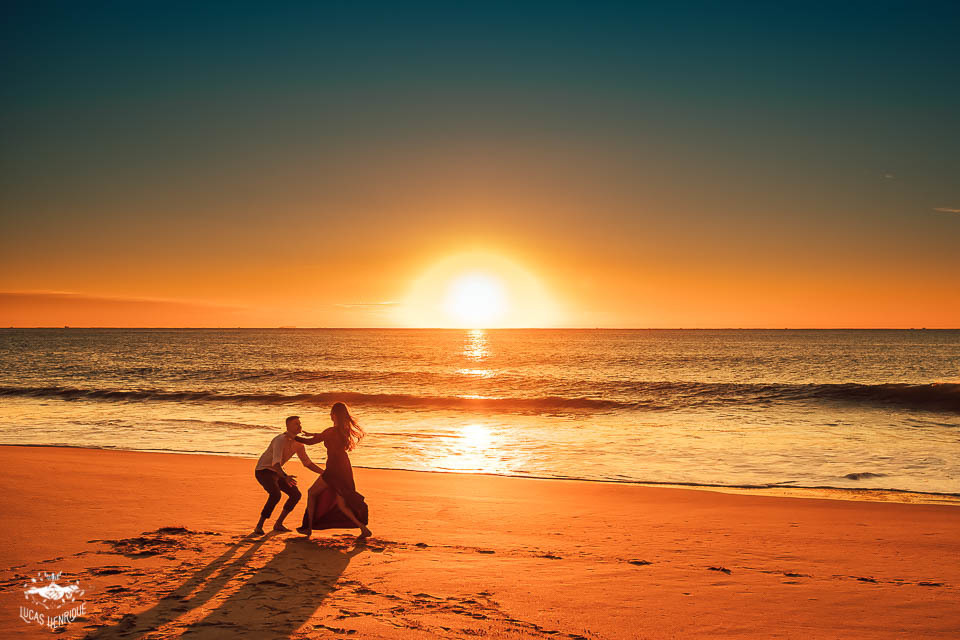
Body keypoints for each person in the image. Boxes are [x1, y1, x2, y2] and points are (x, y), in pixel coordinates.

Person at [296, 402, 371, 539]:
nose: (330, 415)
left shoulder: (331, 431)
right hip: (344, 468)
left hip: (333, 470)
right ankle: (363, 528)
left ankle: (308, 527)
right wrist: (313, 434)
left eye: (331, 413)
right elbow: (324, 436)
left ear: (334, 415)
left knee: (311, 493)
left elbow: (312, 442)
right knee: (342, 504)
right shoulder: (343, 430)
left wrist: (292, 436)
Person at [252, 415, 325, 535]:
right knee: (275, 494)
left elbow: (307, 463)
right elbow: (275, 464)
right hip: (263, 471)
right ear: (288, 427)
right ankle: (259, 526)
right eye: (296, 424)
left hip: (278, 472)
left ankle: (278, 523)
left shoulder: (299, 443)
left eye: (300, 423)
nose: (299, 426)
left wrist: (323, 472)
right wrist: (285, 477)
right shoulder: (280, 439)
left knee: (295, 494)